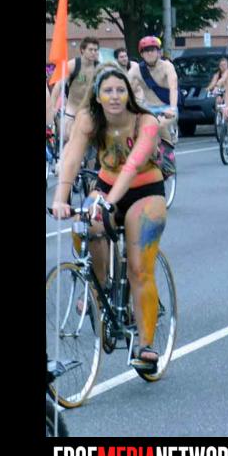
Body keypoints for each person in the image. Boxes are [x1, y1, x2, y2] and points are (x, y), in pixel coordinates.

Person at [50, 63, 168, 370]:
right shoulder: (89, 119)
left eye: (120, 90)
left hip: (145, 191)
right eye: (108, 91)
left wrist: (108, 202)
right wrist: (60, 199)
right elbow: (72, 158)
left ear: (128, 94)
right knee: (85, 225)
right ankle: (100, 288)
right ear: (97, 96)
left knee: (140, 269)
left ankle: (146, 344)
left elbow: (132, 165)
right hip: (105, 186)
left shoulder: (145, 121)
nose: (114, 96)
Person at [127, 36, 179, 145]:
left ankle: (168, 149)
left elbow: (173, 88)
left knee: (159, 125)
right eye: (146, 51)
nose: (149, 53)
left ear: (158, 52)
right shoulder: (136, 69)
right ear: (141, 54)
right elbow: (125, 86)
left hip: (167, 108)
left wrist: (172, 108)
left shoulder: (167, 66)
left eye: (152, 50)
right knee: (133, 129)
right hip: (148, 108)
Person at [50, 37, 100, 143]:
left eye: (96, 50)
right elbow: (58, 86)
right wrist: (53, 108)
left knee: (91, 141)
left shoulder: (99, 67)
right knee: (69, 138)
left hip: (90, 110)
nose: (93, 53)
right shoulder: (72, 65)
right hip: (72, 109)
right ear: (82, 50)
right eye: (90, 50)